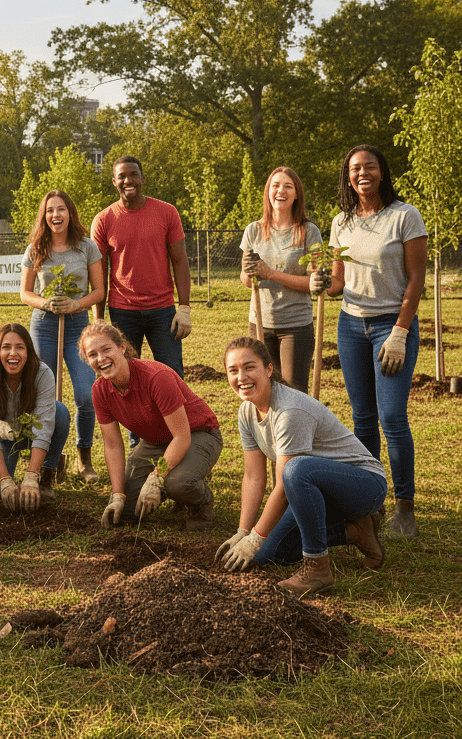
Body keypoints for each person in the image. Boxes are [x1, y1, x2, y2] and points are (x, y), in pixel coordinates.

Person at [311, 144, 427, 539]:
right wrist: (321, 282)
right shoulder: (341, 221)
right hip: (351, 326)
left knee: (392, 417)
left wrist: (400, 331)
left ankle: (405, 508)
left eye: (370, 167)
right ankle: (368, 504)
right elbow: (339, 281)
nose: (362, 173)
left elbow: (415, 279)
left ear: (382, 172)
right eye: (355, 168)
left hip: (390, 327)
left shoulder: (405, 216)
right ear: (347, 176)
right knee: (362, 418)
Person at [217, 336, 387, 595]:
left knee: (295, 471)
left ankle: (318, 569)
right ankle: (355, 531)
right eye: (233, 370)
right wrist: (244, 533)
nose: (241, 376)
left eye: (249, 367)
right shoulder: (247, 411)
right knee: (266, 554)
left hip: (364, 487)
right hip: (315, 492)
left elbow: (285, 487)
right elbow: (253, 477)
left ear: (269, 369)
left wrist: (255, 536)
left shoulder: (290, 411)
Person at [79, 321, 221, 530]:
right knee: (128, 510)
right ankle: (170, 487)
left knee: (177, 483)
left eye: (106, 349)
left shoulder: (156, 377)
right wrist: (117, 495)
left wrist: (156, 478)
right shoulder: (100, 390)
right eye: (92, 355)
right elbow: (112, 445)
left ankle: (200, 501)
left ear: (122, 347)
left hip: (197, 433)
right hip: (156, 441)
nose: (101, 359)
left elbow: (182, 437)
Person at [19, 190, 105, 483]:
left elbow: (99, 291)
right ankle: (45, 461)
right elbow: (25, 293)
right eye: (50, 211)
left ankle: (85, 459)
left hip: (77, 326)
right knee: (44, 396)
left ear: (70, 213)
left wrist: (76, 304)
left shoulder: (87, 248)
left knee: (86, 394)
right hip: (44, 326)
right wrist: (45, 302)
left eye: (61, 210)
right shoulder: (35, 249)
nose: (55, 215)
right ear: (44, 216)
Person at [92, 156, 192, 378]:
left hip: (163, 311)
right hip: (122, 311)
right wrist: (98, 318)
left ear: (142, 179)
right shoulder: (103, 220)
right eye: (122, 176)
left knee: (171, 375)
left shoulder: (167, 213)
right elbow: (99, 271)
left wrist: (184, 308)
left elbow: (180, 260)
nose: (128, 180)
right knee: (124, 375)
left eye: (133, 175)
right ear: (113, 182)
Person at [239, 166, 322, 392]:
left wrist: (271, 274)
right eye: (275, 185)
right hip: (259, 322)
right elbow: (246, 281)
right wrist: (249, 272)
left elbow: (312, 284)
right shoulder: (253, 230)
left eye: (288, 186)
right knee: (262, 389)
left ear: (296, 194)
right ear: (268, 191)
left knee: (293, 392)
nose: (280, 191)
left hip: (295, 326)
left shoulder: (309, 232)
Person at [0, 323, 70, 511]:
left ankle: (45, 474)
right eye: (6, 347)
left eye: (20, 347)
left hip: (31, 432)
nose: (13, 354)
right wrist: (5, 480)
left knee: (60, 413)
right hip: (1, 436)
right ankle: (8, 472)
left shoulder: (42, 374)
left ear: (29, 350)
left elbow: (45, 425)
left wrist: (31, 475)